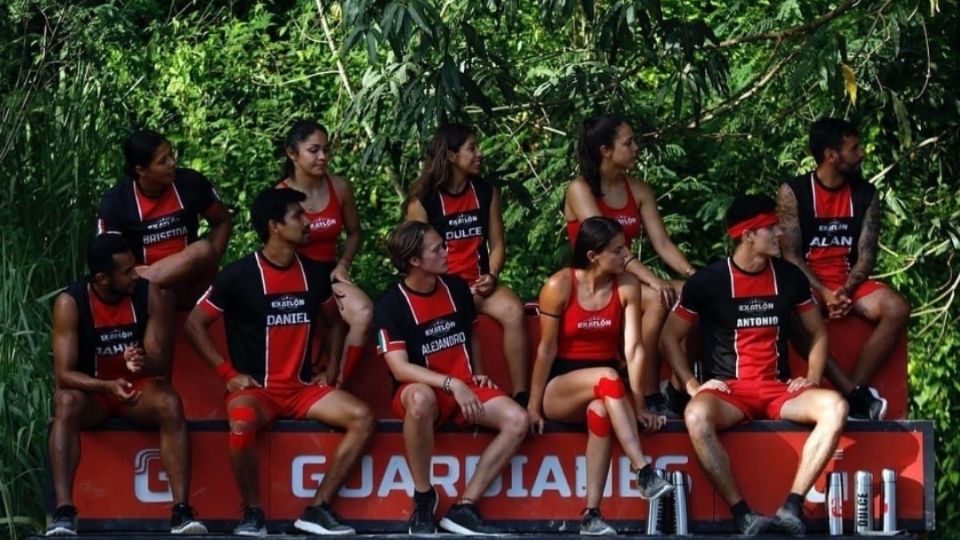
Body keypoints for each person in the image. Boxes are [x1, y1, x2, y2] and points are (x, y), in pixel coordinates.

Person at [183, 188, 373, 536]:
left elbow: (333, 323)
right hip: (259, 391)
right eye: (298, 217)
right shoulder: (238, 276)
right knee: (240, 425)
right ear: (274, 226)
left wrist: (330, 368)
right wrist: (227, 373)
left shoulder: (316, 274)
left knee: (362, 417)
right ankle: (253, 513)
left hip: (303, 391)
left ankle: (317, 510)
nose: (307, 222)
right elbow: (193, 324)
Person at [660, 194, 848, 536]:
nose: (779, 234)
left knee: (835, 407)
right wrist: (691, 385)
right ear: (748, 234)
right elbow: (668, 338)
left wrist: (812, 378)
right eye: (771, 228)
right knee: (695, 416)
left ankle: (792, 507)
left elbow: (818, 333)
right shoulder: (707, 281)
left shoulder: (790, 277)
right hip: (730, 392)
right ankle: (742, 513)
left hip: (780, 390)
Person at [374, 221, 529, 535]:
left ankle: (464, 507)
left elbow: (470, 333)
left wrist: (477, 372)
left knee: (518, 420)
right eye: (437, 248)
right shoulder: (389, 305)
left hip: (466, 386)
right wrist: (451, 383)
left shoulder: (458, 288)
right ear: (415, 261)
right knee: (419, 400)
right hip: (425, 391)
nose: (447, 251)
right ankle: (423, 497)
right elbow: (399, 368)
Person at [47, 234, 205, 536]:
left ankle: (181, 512)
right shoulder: (71, 302)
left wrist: (141, 362)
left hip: (135, 390)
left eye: (134, 267)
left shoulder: (148, 293)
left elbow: (159, 360)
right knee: (65, 401)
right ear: (102, 278)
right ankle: (64, 511)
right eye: (127, 271)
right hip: (94, 394)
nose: (137, 274)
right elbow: (64, 375)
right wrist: (106, 386)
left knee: (170, 403)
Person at [527, 217, 674, 535]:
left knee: (600, 412)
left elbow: (634, 348)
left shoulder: (627, 285)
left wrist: (639, 405)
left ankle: (591, 514)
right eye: (618, 250)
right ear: (593, 256)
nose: (627, 256)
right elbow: (545, 351)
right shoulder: (560, 285)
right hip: (562, 387)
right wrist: (533, 406)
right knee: (608, 377)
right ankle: (644, 470)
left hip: (606, 391)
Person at [777, 117, 910, 420]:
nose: (861, 153)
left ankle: (857, 390)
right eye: (854, 148)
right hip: (808, 282)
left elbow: (866, 254)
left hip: (848, 283)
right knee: (790, 310)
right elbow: (792, 257)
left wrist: (845, 290)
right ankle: (850, 392)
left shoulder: (866, 193)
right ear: (830, 155)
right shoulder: (794, 192)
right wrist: (823, 293)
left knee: (897, 308)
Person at [565, 116, 696, 416]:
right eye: (628, 142)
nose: (636, 148)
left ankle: (678, 385)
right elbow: (611, 245)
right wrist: (654, 281)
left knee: (691, 294)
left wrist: (695, 276)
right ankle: (647, 391)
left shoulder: (638, 189)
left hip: (628, 276)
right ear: (605, 151)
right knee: (657, 298)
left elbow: (662, 244)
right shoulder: (580, 189)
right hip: (594, 278)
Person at [404, 123, 529, 403]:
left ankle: (521, 394)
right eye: (471, 148)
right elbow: (412, 258)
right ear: (450, 156)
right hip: (442, 291)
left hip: (479, 285)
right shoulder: (423, 201)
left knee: (514, 311)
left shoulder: (487, 192)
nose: (479, 154)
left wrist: (492, 276)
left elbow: (497, 244)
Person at [278, 120, 372, 386]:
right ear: (293, 154)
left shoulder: (339, 187)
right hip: (295, 278)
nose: (323, 157)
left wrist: (343, 264)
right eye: (314, 150)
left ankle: (337, 381)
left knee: (363, 311)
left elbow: (355, 233)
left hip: (329, 273)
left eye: (326, 150)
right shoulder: (280, 195)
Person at [97, 129, 232, 306]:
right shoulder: (116, 201)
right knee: (162, 296)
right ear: (141, 171)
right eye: (163, 161)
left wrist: (210, 263)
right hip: (144, 289)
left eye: (171, 155)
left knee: (203, 250)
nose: (172, 163)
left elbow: (222, 221)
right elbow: (107, 256)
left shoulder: (190, 183)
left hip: (190, 280)